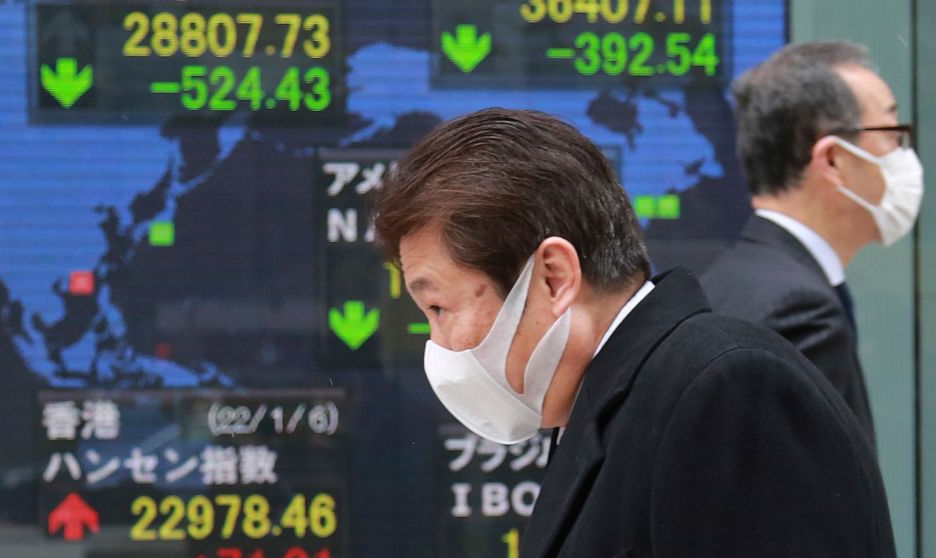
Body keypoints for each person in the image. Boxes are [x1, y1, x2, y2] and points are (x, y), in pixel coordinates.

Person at [373, 108, 895, 556]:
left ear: (554, 277)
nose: (438, 344)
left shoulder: (728, 391)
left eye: (438, 307)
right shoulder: (614, 406)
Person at [702, 41, 924, 446]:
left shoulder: (729, 278)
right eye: (892, 135)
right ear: (834, 160)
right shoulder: (801, 312)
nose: (903, 156)